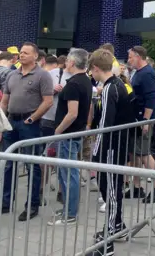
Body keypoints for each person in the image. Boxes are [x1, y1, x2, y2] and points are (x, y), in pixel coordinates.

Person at [0, 42, 53, 222]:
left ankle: (32, 205)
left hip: (30, 124)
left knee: (31, 164)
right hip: (11, 122)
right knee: (8, 163)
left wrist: (32, 118)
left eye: (26, 53)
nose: (22, 55)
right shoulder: (12, 75)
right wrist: (0, 122)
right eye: (21, 52)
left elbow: (48, 101)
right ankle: (5, 202)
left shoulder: (43, 76)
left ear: (35, 56)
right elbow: (4, 101)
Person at [88, 48, 134, 255]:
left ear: (96, 68)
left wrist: (97, 151)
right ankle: (117, 226)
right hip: (117, 144)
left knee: (110, 188)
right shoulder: (118, 84)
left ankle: (111, 234)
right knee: (111, 187)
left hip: (111, 147)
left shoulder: (109, 89)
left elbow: (105, 126)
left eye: (92, 70)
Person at [48, 48, 92, 226]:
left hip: (68, 134)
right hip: (74, 133)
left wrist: (58, 130)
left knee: (68, 173)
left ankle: (70, 213)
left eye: (68, 61)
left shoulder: (74, 83)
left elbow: (72, 113)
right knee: (68, 172)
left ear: (72, 63)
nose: (65, 64)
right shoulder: (85, 81)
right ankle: (68, 208)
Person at [129, 46, 155, 203]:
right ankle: (136, 187)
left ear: (138, 56)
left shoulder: (148, 74)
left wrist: (146, 121)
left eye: (130, 57)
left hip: (143, 119)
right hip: (136, 118)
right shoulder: (139, 73)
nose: (129, 60)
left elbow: (151, 99)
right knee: (135, 153)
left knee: (144, 154)